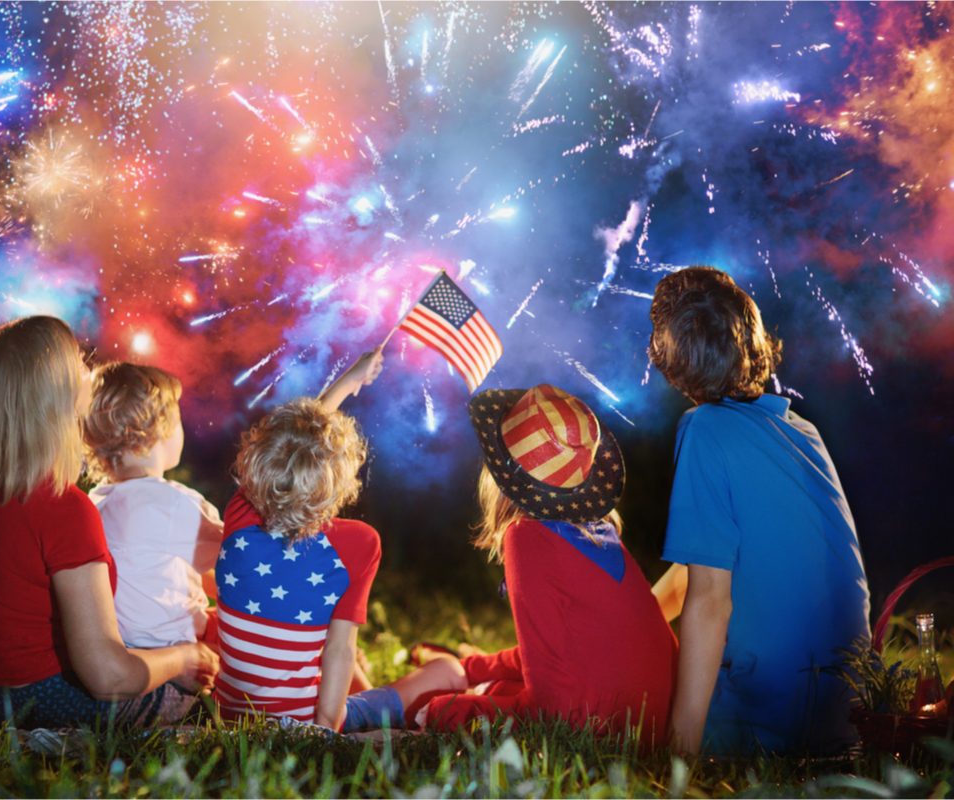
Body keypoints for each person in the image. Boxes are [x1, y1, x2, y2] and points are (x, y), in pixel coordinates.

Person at [344, 383, 679, 745]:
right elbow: (565, 653)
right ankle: (379, 701)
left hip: (590, 729)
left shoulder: (527, 537)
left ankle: (353, 713)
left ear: (502, 474)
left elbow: (552, 705)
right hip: (647, 726)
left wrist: (454, 710)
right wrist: (475, 667)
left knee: (446, 695)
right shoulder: (602, 533)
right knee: (477, 678)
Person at [0, 316, 219, 729]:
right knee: (185, 688)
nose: (90, 371)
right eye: (78, 362)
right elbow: (107, 677)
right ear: (54, 395)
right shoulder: (67, 509)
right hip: (38, 703)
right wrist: (185, 658)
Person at [648, 266, 870, 756]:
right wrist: (639, 617)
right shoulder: (803, 432)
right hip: (846, 710)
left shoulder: (704, 429)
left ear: (673, 358)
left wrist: (679, 753)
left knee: (636, 696)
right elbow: (700, 569)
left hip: (768, 719)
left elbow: (709, 600)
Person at [214, 350, 383, 730]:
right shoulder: (359, 544)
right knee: (409, 687)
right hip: (304, 719)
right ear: (340, 480)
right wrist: (324, 730)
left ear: (256, 462)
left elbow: (295, 450)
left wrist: (348, 379)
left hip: (226, 715)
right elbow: (340, 650)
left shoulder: (239, 516)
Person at [83, 362, 222, 649]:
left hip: (121, 652)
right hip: (173, 655)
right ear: (161, 428)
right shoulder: (171, 503)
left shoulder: (94, 502)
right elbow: (235, 557)